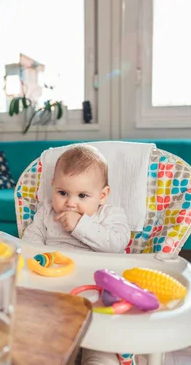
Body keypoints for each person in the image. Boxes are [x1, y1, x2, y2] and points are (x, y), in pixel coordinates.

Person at [22, 144, 130, 365]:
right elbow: (30, 243)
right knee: (50, 342)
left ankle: (99, 357)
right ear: (52, 187)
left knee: (102, 339)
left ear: (102, 195)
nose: (71, 202)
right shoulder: (46, 213)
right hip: (54, 286)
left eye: (82, 195)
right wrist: (38, 261)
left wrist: (81, 225)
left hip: (96, 288)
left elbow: (118, 243)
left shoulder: (110, 215)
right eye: (63, 193)